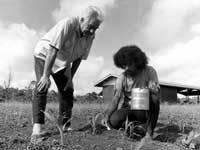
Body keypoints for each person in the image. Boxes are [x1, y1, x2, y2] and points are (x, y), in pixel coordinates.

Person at [31, 6, 103, 140]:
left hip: (62, 60)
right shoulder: (68, 24)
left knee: (67, 90)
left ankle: (64, 125)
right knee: (42, 85)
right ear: (81, 20)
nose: (92, 31)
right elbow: (53, 49)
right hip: (45, 53)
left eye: (96, 28)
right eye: (91, 26)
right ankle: (37, 129)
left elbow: (79, 58)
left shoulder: (90, 36)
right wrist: (46, 76)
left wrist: (71, 78)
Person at [105, 45, 160, 139]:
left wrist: (152, 89)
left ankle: (149, 132)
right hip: (130, 108)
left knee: (154, 99)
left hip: (144, 108)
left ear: (137, 62)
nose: (126, 68)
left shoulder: (149, 71)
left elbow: (156, 91)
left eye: (129, 64)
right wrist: (107, 116)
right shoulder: (122, 77)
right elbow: (116, 98)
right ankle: (134, 127)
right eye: (123, 65)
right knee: (114, 121)